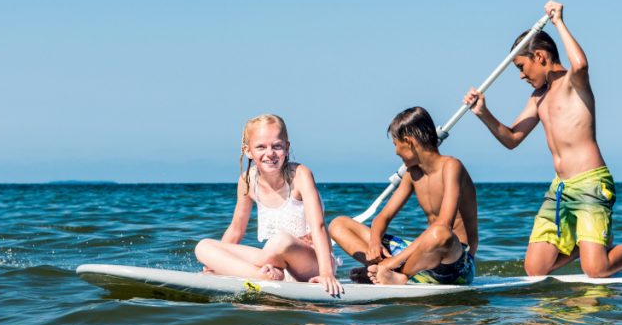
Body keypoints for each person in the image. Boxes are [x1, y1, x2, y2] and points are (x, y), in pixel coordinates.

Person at [463, 0, 622, 277]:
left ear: (540, 57)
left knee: (595, 270)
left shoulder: (574, 82)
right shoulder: (538, 98)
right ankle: (589, 245)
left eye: (522, 67)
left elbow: (581, 64)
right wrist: (483, 113)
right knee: (535, 269)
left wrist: (558, 21)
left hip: (591, 183)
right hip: (560, 189)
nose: (521, 75)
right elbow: (512, 138)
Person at [194, 114, 343, 296]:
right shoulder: (247, 180)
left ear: (287, 148)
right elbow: (236, 230)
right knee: (203, 246)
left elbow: (319, 226)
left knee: (281, 240)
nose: (270, 153)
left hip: (312, 264)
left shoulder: (301, 175)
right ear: (248, 150)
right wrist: (214, 264)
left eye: (277, 146)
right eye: (261, 147)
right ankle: (260, 276)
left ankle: (250, 271)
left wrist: (326, 273)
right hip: (271, 264)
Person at [329, 107, 478, 285]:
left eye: (395, 144)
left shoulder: (452, 167)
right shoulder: (412, 174)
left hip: (457, 264)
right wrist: (375, 243)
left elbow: (443, 225)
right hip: (422, 261)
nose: (396, 152)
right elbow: (383, 217)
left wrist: (393, 262)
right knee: (338, 224)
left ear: (408, 142)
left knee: (440, 232)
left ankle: (393, 273)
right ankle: (387, 273)